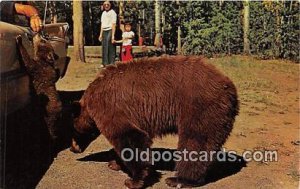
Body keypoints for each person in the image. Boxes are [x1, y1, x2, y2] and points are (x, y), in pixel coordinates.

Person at [98, 1, 117, 66]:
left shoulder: (113, 13)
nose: (106, 6)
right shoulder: (103, 13)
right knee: (104, 47)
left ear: (110, 5)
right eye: (105, 4)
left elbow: (113, 24)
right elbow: (102, 24)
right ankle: (104, 63)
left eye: (107, 4)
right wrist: (100, 34)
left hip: (110, 30)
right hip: (104, 31)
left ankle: (111, 63)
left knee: (110, 46)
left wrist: (113, 36)